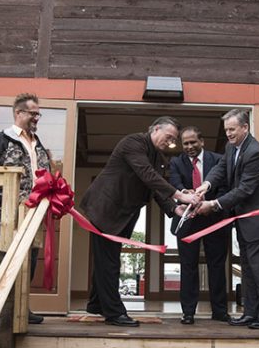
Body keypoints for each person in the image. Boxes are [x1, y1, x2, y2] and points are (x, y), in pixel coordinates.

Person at [79, 116, 200, 327]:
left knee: (107, 258)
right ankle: (114, 313)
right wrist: (181, 196)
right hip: (106, 208)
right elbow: (147, 176)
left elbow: (155, 189)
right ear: (154, 129)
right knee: (109, 261)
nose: (170, 141)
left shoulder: (160, 158)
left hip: (125, 213)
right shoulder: (132, 143)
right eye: (168, 136)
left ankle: (96, 304)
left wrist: (175, 208)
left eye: (174, 139)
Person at [194, 109, 259, 329]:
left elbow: (245, 190)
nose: (229, 134)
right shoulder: (231, 147)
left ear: (245, 128)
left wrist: (213, 204)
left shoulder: (256, 153)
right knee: (248, 269)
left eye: (232, 129)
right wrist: (206, 185)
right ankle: (251, 313)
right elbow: (220, 169)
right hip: (243, 221)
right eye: (226, 130)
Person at [0, 92, 50, 324]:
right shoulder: (0, 140)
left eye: (38, 114)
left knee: (27, 262)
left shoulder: (38, 144)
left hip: (33, 215)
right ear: (19, 113)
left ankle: (20, 309)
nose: (37, 118)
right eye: (33, 113)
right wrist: (2, 207)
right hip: (6, 216)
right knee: (1, 260)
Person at [169, 126, 230, 325]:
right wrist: (186, 194)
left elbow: (225, 188)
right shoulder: (175, 162)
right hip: (187, 220)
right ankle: (188, 313)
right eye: (185, 143)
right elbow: (174, 184)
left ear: (202, 141)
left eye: (193, 142)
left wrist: (210, 205)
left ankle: (220, 312)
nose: (189, 147)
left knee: (217, 266)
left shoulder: (219, 160)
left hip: (214, 219)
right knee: (188, 267)